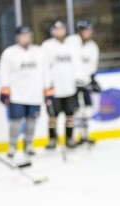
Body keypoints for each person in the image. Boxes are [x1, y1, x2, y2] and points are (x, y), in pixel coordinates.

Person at [0, 26, 51, 158]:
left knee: (31, 121)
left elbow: (46, 72)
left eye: (27, 35)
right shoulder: (9, 53)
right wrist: (4, 90)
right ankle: (12, 146)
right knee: (15, 122)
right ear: (17, 37)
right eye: (22, 36)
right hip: (17, 94)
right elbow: (4, 73)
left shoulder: (39, 52)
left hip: (35, 94)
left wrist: (47, 90)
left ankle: (29, 145)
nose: (25, 38)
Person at [41, 20, 81, 149]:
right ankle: (52, 139)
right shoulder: (47, 46)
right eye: (57, 29)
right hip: (54, 89)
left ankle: (69, 138)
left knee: (70, 115)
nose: (60, 32)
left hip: (70, 88)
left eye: (62, 29)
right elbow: (45, 68)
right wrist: (47, 86)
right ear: (53, 31)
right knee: (53, 116)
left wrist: (79, 81)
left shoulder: (71, 45)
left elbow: (76, 65)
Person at [67, 20, 100, 145]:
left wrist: (92, 79)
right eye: (86, 30)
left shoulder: (93, 47)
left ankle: (85, 134)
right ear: (80, 31)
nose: (88, 32)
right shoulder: (70, 42)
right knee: (75, 110)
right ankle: (75, 135)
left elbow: (92, 66)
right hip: (71, 84)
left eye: (89, 30)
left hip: (85, 83)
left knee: (86, 109)